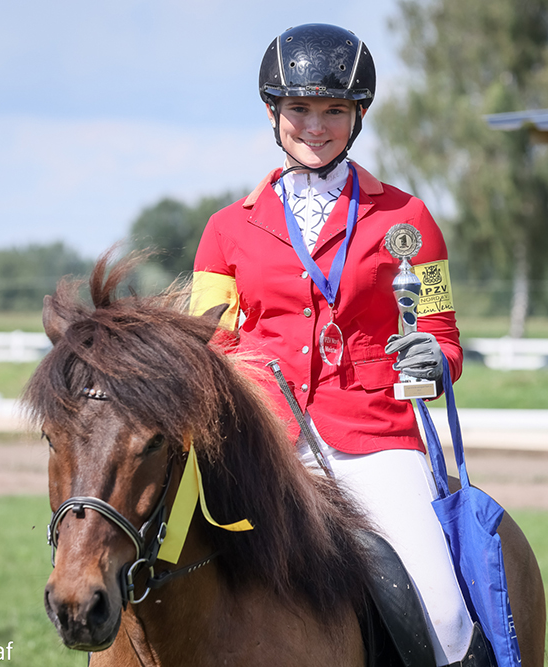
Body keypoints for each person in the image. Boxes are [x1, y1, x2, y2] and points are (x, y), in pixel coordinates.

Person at [189, 23, 480, 666]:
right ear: (273, 111)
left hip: (373, 437)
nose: (314, 125)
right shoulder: (225, 230)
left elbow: (442, 336)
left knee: (445, 610)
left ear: (357, 115)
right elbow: (206, 345)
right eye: (299, 108)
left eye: (333, 110)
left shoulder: (409, 219)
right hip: (262, 439)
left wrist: (435, 360)